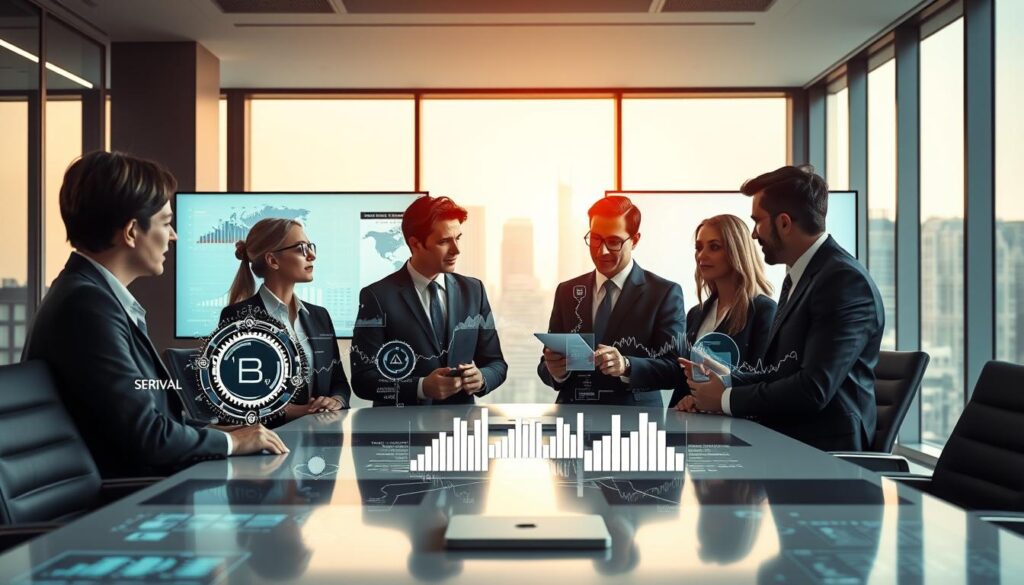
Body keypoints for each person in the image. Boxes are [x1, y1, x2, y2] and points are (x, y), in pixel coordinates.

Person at [23, 151, 287, 478]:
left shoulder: (92, 296)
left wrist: (227, 434)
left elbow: (153, 421)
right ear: (132, 232)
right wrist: (233, 444)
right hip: (122, 506)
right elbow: (149, 437)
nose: (174, 235)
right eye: (165, 222)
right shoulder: (87, 307)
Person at [681, 165, 884, 452]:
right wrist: (724, 381)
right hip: (789, 437)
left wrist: (726, 399)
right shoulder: (805, 276)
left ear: (785, 223)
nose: (753, 235)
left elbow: (813, 388)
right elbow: (783, 373)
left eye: (758, 221)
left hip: (825, 452)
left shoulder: (843, 281)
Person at [351, 195, 507, 406]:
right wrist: (421, 387)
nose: (456, 250)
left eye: (458, 238)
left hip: (459, 430)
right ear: (415, 244)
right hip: (402, 431)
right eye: (444, 241)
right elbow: (362, 380)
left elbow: (496, 364)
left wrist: (481, 378)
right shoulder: (377, 297)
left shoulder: (474, 291)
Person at [538, 195, 685, 407]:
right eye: (596, 238)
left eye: (614, 242)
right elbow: (547, 364)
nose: (601, 251)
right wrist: (556, 372)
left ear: (635, 240)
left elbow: (674, 369)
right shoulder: (567, 291)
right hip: (573, 419)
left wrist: (627, 365)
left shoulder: (664, 293)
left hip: (635, 424)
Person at [221, 217, 352, 424]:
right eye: (301, 248)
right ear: (273, 260)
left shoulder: (320, 316)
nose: (312, 255)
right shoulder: (238, 317)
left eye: (310, 246)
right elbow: (238, 400)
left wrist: (335, 400)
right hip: (268, 444)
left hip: (322, 443)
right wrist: (301, 411)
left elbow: (339, 382)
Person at [669, 214, 776, 410]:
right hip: (690, 423)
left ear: (737, 252)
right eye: (699, 247)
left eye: (714, 247)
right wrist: (688, 400)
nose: (702, 255)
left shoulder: (763, 311)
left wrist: (707, 400)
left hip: (739, 428)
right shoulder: (696, 314)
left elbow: (762, 380)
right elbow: (686, 377)